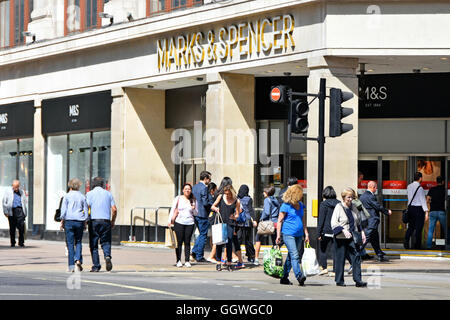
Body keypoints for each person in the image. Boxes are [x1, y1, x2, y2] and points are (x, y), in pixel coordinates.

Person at [331, 187, 367, 287]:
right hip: (341, 237)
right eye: (348, 197)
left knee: (356, 257)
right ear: (343, 197)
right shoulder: (338, 207)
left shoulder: (354, 207)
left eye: (352, 197)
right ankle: (339, 280)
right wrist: (343, 229)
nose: (350, 199)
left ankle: (358, 280)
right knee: (340, 258)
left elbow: (358, 221)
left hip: (352, 236)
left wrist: (362, 232)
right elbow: (334, 223)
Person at [276, 184, 308, 286]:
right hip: (288, 234)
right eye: (300, 194)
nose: (302, 196)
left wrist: (306, 233)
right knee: (295, 255)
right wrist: (278, 235)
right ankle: (299, 276)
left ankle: (284, 277)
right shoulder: (286, 206)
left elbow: (303, 220)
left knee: (291, 256)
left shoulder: (301, 205)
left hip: (299, 234)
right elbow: (279, 221)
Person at [86, 177, 117, 272]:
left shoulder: (89, 194)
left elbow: (86, 207)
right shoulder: (108, 194)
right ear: (103, 184)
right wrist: (112, 221)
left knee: (94, 244)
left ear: (93, 184)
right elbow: (114, 209)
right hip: (105, 221)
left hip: (94, 221)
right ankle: (107, 256)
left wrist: (86, 220)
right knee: (106, 241)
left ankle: (96, 266)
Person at [211, 182, 243, 271]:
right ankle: (218, 262)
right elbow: (213, 206)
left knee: (229, 242)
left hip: (230, 223)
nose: (227, 195)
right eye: (226, 193)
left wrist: (235, 217)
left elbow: (237, 214)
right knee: (219, 243)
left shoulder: (236, 201)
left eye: (228, 193)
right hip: (221, 222)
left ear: (232, 192)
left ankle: (229, 263)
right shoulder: (221, 197)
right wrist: (216, 208)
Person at [60, 178, 89, 272]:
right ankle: (78, 259)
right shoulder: (82, 196)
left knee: (70, 243)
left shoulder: (67, 196)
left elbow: (63, 211)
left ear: (70, 185)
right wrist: (85, 221)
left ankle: (71, 266)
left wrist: (62, 220)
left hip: (69, 220)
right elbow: (86, 209)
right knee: (79, 241)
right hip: (79, 220)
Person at [359, 181, 392, 262]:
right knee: (366, 238)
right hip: (371, 221)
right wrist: (387, 211)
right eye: (376, 187)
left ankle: (379, 254)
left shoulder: (362, 196)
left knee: (375, 238)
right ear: (373, 187)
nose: (376, 189)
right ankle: (356, 254)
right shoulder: (370, 196)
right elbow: (377, 206)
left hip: (367, 220)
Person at [168, 183, 198, 268]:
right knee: (179, 242)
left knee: (187, 242)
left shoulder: (193, 200)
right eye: (186, 189)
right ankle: (178, 260)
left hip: (190, 223)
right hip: (179, 222)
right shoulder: (178, 198)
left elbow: (196, 213)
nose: (187, 190)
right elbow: (173, 209)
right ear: (183, 190)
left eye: (189, 189)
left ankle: (187, 260)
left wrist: (193, 208)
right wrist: (169, 220)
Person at [317, 186, 340, 276]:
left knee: (323, 249)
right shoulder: (339, 203)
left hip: (326, 230)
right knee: (335, 251)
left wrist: (318, 232)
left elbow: (321, 219)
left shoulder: (324, 204)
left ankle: (324, 268)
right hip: (336, 230)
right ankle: (335, 271)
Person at [254, 186, 280, 266]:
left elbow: (267, 212)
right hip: (275, 223)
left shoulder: (267, 200)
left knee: (258, 238)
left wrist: (261, 219)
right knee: (275, 241)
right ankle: (277, 260)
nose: (263, 193)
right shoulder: (276, 200)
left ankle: (256, 259)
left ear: (267, 193)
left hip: (267, 223)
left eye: (264, 192)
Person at [191, 171, 213, 263]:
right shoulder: (204, 188)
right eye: (210, 179)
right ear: (206, 179)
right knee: (203, 235)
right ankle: (199, 256)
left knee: (201, 234)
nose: (210, 181)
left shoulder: (195, 187)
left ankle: (194, 252)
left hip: (195, 213)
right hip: (203, 214)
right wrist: (212, 205)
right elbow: (205, 202)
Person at [404, 172, 429, 249]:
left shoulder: (409, 186)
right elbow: (422, 200)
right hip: (418, 209)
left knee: (411, 227)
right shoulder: (420, 188)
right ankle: (417, 245)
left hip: (411, 208)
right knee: (418, 228)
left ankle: (406, 242)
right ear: (420, 178)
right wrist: (426, 212)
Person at [3, 180, 28, 248]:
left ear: (19, 186)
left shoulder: (22, 192)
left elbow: (24, 202)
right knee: (12, 228)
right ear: (12, 186)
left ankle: (21, 242)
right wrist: (5, 212)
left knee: (21, 227)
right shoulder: (8, 192)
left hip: (20, 210)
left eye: (17, 187)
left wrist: (25, 213)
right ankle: (13, 242)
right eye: (14, 187)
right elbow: (4, 202)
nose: (15, 188)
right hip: (12, 211)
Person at [236, 184, 256, 263]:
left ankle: (237, 256)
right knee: (248, 240)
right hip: (247, 221)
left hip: (238, 220)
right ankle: (251, 256)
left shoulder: (236, 198)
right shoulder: (249, 199)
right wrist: (254, 219)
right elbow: (251, 210)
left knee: (238, 239)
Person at [426, 176, 446, 249]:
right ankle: (448, 245)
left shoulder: (432, 189)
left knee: (431, 230)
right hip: (441, 211)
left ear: (436, 182)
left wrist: (432, 202)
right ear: (443, 182)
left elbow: (427, 200)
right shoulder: (445, 190)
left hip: (433, 211)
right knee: (446, 229)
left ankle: (428, 246)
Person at [206, 182, 219, 264]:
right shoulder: (211, 198)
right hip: (212, 219)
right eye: (215, 189)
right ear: (212, 190)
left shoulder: (210, 196)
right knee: (214, 238)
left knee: (212, 237)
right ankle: (212, 255)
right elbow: (212, 206)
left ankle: (213, 254)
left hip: (210, 219)